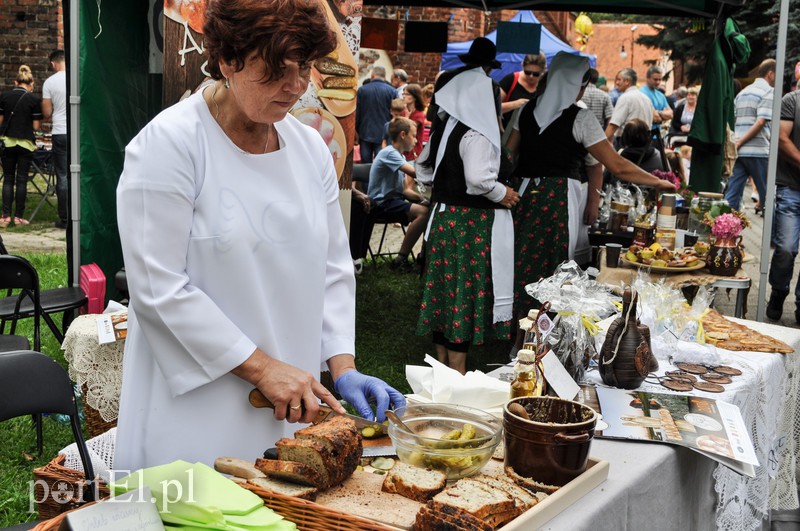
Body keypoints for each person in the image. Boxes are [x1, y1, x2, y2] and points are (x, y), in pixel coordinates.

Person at [114, 0, 405, 472]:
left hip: (292, 402)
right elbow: (158, 288)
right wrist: (262, 368)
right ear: (228, 60)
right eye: (275, 70)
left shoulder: (310, 147)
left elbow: (332, 267)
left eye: (304, 68)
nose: (295, 87)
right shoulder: (169, 146)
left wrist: (342, 365)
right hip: (194, 407)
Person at [506, 53, 676, 352]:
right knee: (557, 268)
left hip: (526, 196)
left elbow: (509, 156)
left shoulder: (525, 112)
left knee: (524, 264)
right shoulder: (580, 117)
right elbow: (616, 165)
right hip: (559, 198)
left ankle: (519, 332)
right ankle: (546, 337)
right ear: (576, 85)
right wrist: (658, 181)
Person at [415, 54, 519, 374]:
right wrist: (504, 194)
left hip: (446, 219)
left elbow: (423, 166)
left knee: (446, 294)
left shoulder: (450, 128)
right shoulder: (478, 134)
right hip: (467, 225)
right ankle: (456, 373)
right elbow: (477, 179)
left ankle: (443, 365)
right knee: (461, 294)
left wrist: (438, 194)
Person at [367, 117, 428, 271]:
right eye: (413, 136)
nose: (415, 140)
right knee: (424, 213)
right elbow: (415, 173)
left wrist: (423, 199)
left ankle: (424, 255)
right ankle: (401, 258)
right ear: (403, 135)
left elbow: (405, 191)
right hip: (380, 204)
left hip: (392, 201)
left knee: (428, 208)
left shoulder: (398, 156)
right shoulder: (389, 153)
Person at [766, 88, 800, 322]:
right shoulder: (792, 101)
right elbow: (781, 138)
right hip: (791, 187)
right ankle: (779, 290)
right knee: (786, 247)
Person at [725, 59, 775, 211]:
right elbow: (760, 123)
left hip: (740, 152)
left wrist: (737, 143)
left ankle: (726, 231)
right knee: (767, 195)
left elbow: (733, 121)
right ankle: (772, 233)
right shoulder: (768, 92)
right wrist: (741, 142)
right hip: (758, 151)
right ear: (770, 73)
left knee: (732, 195)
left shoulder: (743, 93)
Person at [0, 65, 42, 227]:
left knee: (8, 179)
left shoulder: (5, 96)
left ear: (15, 82)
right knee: (22, 180)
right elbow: (37, 127)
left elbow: (1, 121)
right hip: (26, 143)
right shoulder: (33, 99)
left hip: (8, 142)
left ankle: (5, 216)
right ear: (31, 82)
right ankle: (18, 217)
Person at [42, 49, 68, 229]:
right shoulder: (77, 77)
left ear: (53, 63)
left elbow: (46, 113)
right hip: (77, 131)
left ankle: (64, 218)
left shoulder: (49, 82)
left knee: (62, 175)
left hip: (59, 131)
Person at [355, 65, 396, 163]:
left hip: (365, 131)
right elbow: (395, 113)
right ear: (384, 77)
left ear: (372, 75)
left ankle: (366, 178)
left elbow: (357, 112)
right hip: (383, 133)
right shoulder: (392, 91)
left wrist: (356, 131)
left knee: (365, 163)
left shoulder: (362, 90)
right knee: (380, 163)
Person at [605, 68, 654, 146]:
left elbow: (613, 125)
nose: (616, 83)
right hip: (644, 144)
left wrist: (601, 144)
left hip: (627, 143)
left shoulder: (625, 98)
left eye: (619, 79)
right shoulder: (646, 98)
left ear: (627, 81)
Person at [499, 53, 546, 128]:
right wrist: (515, 104)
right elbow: (493, 107)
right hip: (507, 129)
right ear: (523, 67)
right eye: (527, 72)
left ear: (543, 71)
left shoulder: (545, 85)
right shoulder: (511, 80)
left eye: (536, 74)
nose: (531, 76)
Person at [639, 66, 673, 139]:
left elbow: (671, 114)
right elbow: (654, 118)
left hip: (658, 136)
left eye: (659, 79)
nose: (658, 82)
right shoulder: (642, 93)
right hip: (644, 136)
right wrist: (663, 115)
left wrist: (658, 113)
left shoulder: (660, 95)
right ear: (647, 78)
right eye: (655, 79)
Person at [402, 83, 426, 159]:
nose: (404, 96)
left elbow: (408, 130)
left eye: (407, 94)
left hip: (413, 152)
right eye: (403, 94)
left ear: (415, 97)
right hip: (402, 151)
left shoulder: (418, 115)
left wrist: (406, 118)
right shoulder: (403, 112)